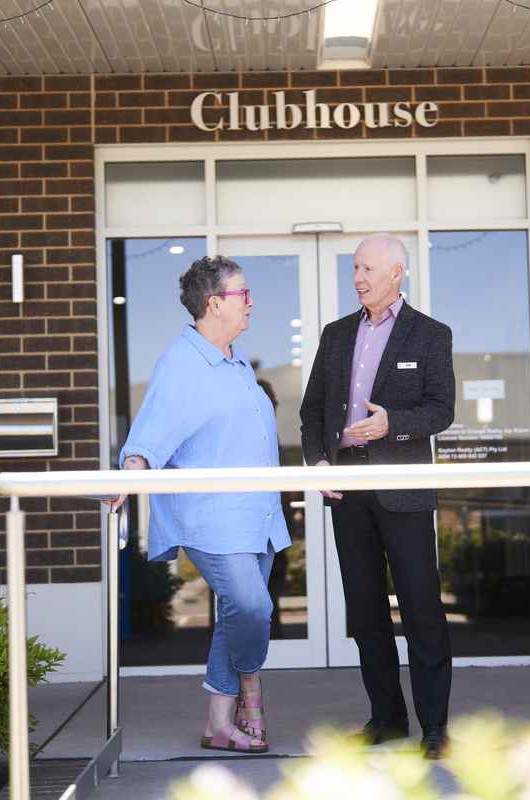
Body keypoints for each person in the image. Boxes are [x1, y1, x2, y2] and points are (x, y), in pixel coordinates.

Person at [108, 255, 290, 754]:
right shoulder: (183, 361)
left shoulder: (235, 360)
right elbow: (151, 431)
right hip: (213, 516)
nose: (251, 302)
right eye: (243, 294)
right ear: (215, 304)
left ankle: (216, 724)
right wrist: (130, 471)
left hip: (258, 515)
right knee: (252, 607)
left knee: (237, 613)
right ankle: (250, 693)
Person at [299, 232, 456, 760]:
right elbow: (313, 409)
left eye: (367, 269)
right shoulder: (336, 334)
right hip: (348, 485)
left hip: (404, 489)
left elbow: (441, 410)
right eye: (355, 269)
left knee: (422, 612)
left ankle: (435, 726)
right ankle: (387, 718)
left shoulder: (431, 335)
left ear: (397, 274)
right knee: (366, 612)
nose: (357, 277)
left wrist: (393, 425)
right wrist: (318, 459)